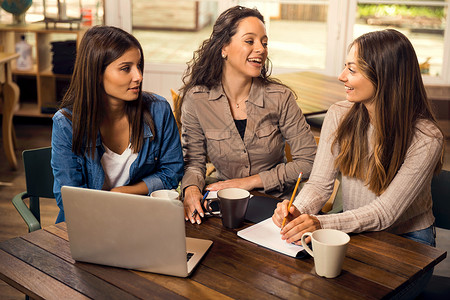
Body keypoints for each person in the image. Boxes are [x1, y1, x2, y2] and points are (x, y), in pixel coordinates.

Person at [273, 29, 444, 247]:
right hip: (352, 227)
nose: (341, 76)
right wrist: (299, 210)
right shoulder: (338, 114)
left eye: (352, 70)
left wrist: (319, 223)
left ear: (384, 76)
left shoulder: (426, 138)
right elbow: (319, 184)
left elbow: (386, 213)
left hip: (405, 238)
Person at [175, 6, 317, 224]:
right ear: (224, 47)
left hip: (277, 207)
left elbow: (308, 161)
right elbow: (194, 162)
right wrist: (191, 189)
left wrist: (250, 181)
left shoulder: (280, 97)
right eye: (250, 41)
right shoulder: (197, 99)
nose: (261, 49)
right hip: (227, 205)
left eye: (264, 42)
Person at [51, 26, 184, 223]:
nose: (138, 76)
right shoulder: (66, 124)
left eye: (139, 66)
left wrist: (123, 192)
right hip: (89, 223)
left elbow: (172, 172)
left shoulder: (158, 110)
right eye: (125, 68)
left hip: (144, 219)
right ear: (96, 73)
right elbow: (69, 198)